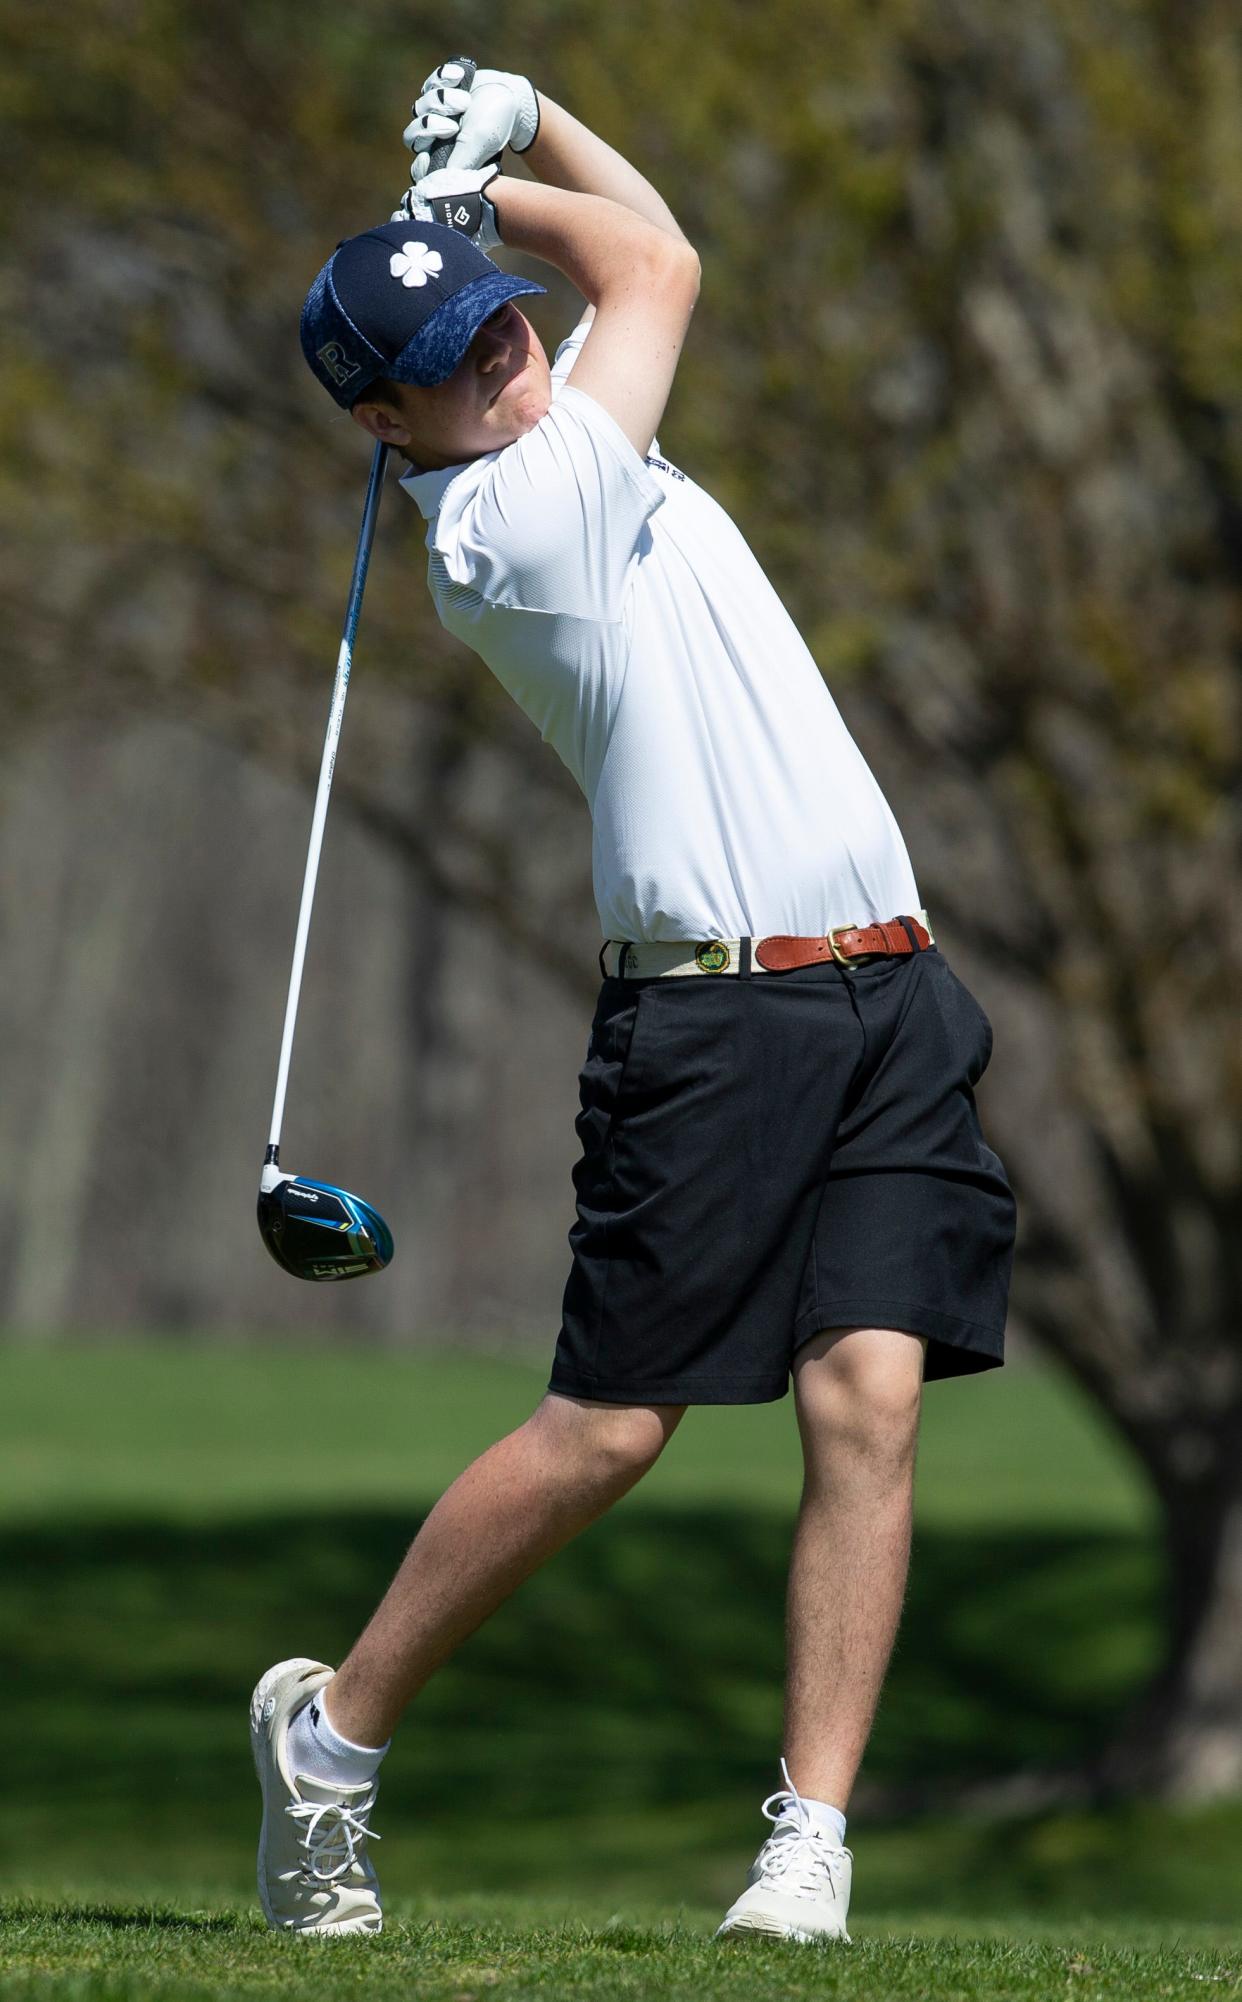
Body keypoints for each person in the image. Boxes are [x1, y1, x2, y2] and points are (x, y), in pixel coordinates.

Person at [251, 58, 1017, 1943]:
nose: (511, 353)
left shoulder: (571, 434)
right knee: (611, 1428)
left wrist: (505, 154)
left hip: (890, 992)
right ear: (388, 423)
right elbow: (655, 266)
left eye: (509, 329)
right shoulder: (514, 527)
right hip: (713, 1024)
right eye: (462, 352)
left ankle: (807, 1845)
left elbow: (645, 259)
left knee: (868, 1400)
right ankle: (332, 1739)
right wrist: (500, 172)